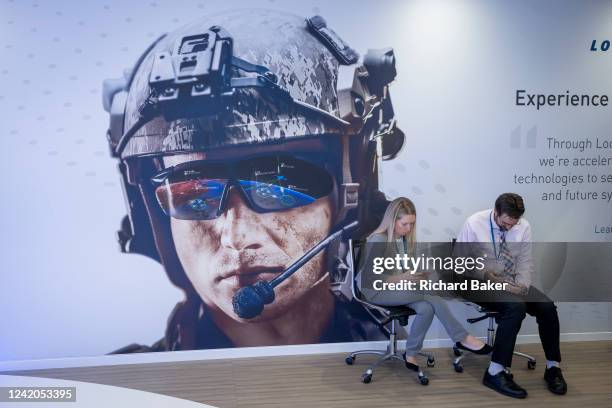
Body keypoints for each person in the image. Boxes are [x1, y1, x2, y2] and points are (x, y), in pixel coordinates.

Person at [102, 9, 407, 351]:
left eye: (278, 185)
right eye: (193, 195)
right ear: (152, 217)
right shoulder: (116, 394)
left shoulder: (412, 374)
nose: (237, 238)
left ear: (352, 195)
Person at [358, 197, 492, 372]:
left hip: (398, 289)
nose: (408, 229)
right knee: (430, 294)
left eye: (412, 224)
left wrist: (418, 275)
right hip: (376, 291)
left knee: (426, 308)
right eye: (404, 224)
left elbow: (405, 270)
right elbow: (369, 279)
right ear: (393, 220)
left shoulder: (405, 241)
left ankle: (411, 353)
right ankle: (462, 337)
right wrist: (403, 278)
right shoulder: (379, 240)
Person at [456, 193, 567, 398]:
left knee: (547, 307)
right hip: (476, 281)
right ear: (496, 212)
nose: (509, 228)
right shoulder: (474, 223)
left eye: (513, 224)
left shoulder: (523, 226)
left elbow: (525, 262)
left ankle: (553, 367)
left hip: (509, 281)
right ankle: (495, 371)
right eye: (505, 223)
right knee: (516, 307)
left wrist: (522, 286)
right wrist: (489, 277)